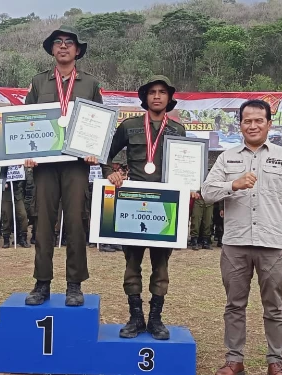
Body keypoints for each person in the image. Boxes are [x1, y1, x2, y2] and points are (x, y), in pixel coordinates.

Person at [202, 99, 282, 375]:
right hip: (235, 244)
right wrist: (232, 184)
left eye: (259, 120)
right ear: (240, 124)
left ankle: (276, 361)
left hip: (273, 244)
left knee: (274, 306)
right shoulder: (227, 157)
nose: (253, 125)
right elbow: (207, 192)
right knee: (234, 305)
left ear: (269, 124)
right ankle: (234, 359)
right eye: (247, 120)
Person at [101, 75, 189, 340]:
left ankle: (156, 319)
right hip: (134, 205)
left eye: (163, 92)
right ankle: (136, 317)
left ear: (169, 98)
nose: (158, 96)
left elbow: (186, 165)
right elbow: (105, 151)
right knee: (132, 264)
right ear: (145, 98)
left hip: (164, 209)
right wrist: (111, 173)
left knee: (161, 266)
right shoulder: (129, 126)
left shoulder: (177, 131)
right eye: (152, 92)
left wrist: (191, 183)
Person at [23, 25, 103, 306]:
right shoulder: (38, 81)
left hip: (76, 164)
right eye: (58, 42)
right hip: (44, 165)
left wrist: (94, 150)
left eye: (69, 42)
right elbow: (25, 119)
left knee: (76, 222)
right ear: (52, 50)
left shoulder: (90, 83)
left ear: (77, 50)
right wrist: (26, 152)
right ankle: (41, 283)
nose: (64, 46)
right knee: (43, 223)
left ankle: (74, 284)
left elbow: (99, 122)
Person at [1, 180, 30, 248]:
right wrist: (3, 183)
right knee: (6, 216)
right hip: (6, 193)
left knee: (23, 215)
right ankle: (6, 239)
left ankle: (23, 238)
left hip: (17, 192)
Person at [189, 186, 214, 250]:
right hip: (198, 197)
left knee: (208, 221)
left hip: (210, 198)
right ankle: (194, 241)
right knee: (196, 220)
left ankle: (206, 241)